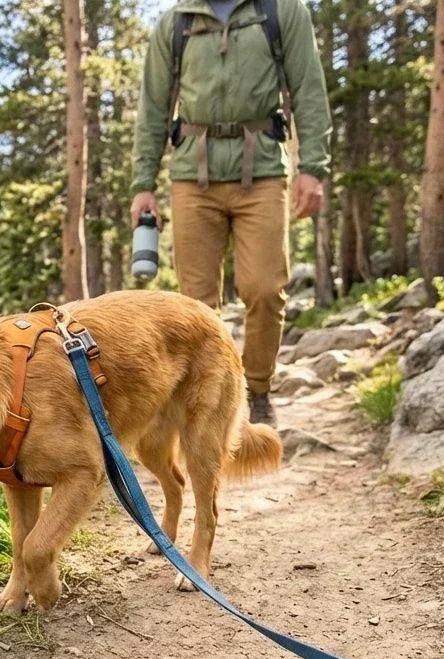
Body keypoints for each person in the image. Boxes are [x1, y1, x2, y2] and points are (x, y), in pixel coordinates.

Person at [130, 0, 331, 427]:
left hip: (261, 171)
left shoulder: (281, 11)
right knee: (195, 306)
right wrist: (143, 184)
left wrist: (312, 167)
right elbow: (152, 107)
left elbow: (308, 88)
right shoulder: (176, 23)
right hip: (191, 177)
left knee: (263, 288)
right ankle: (207, 405)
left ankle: (257, 390)